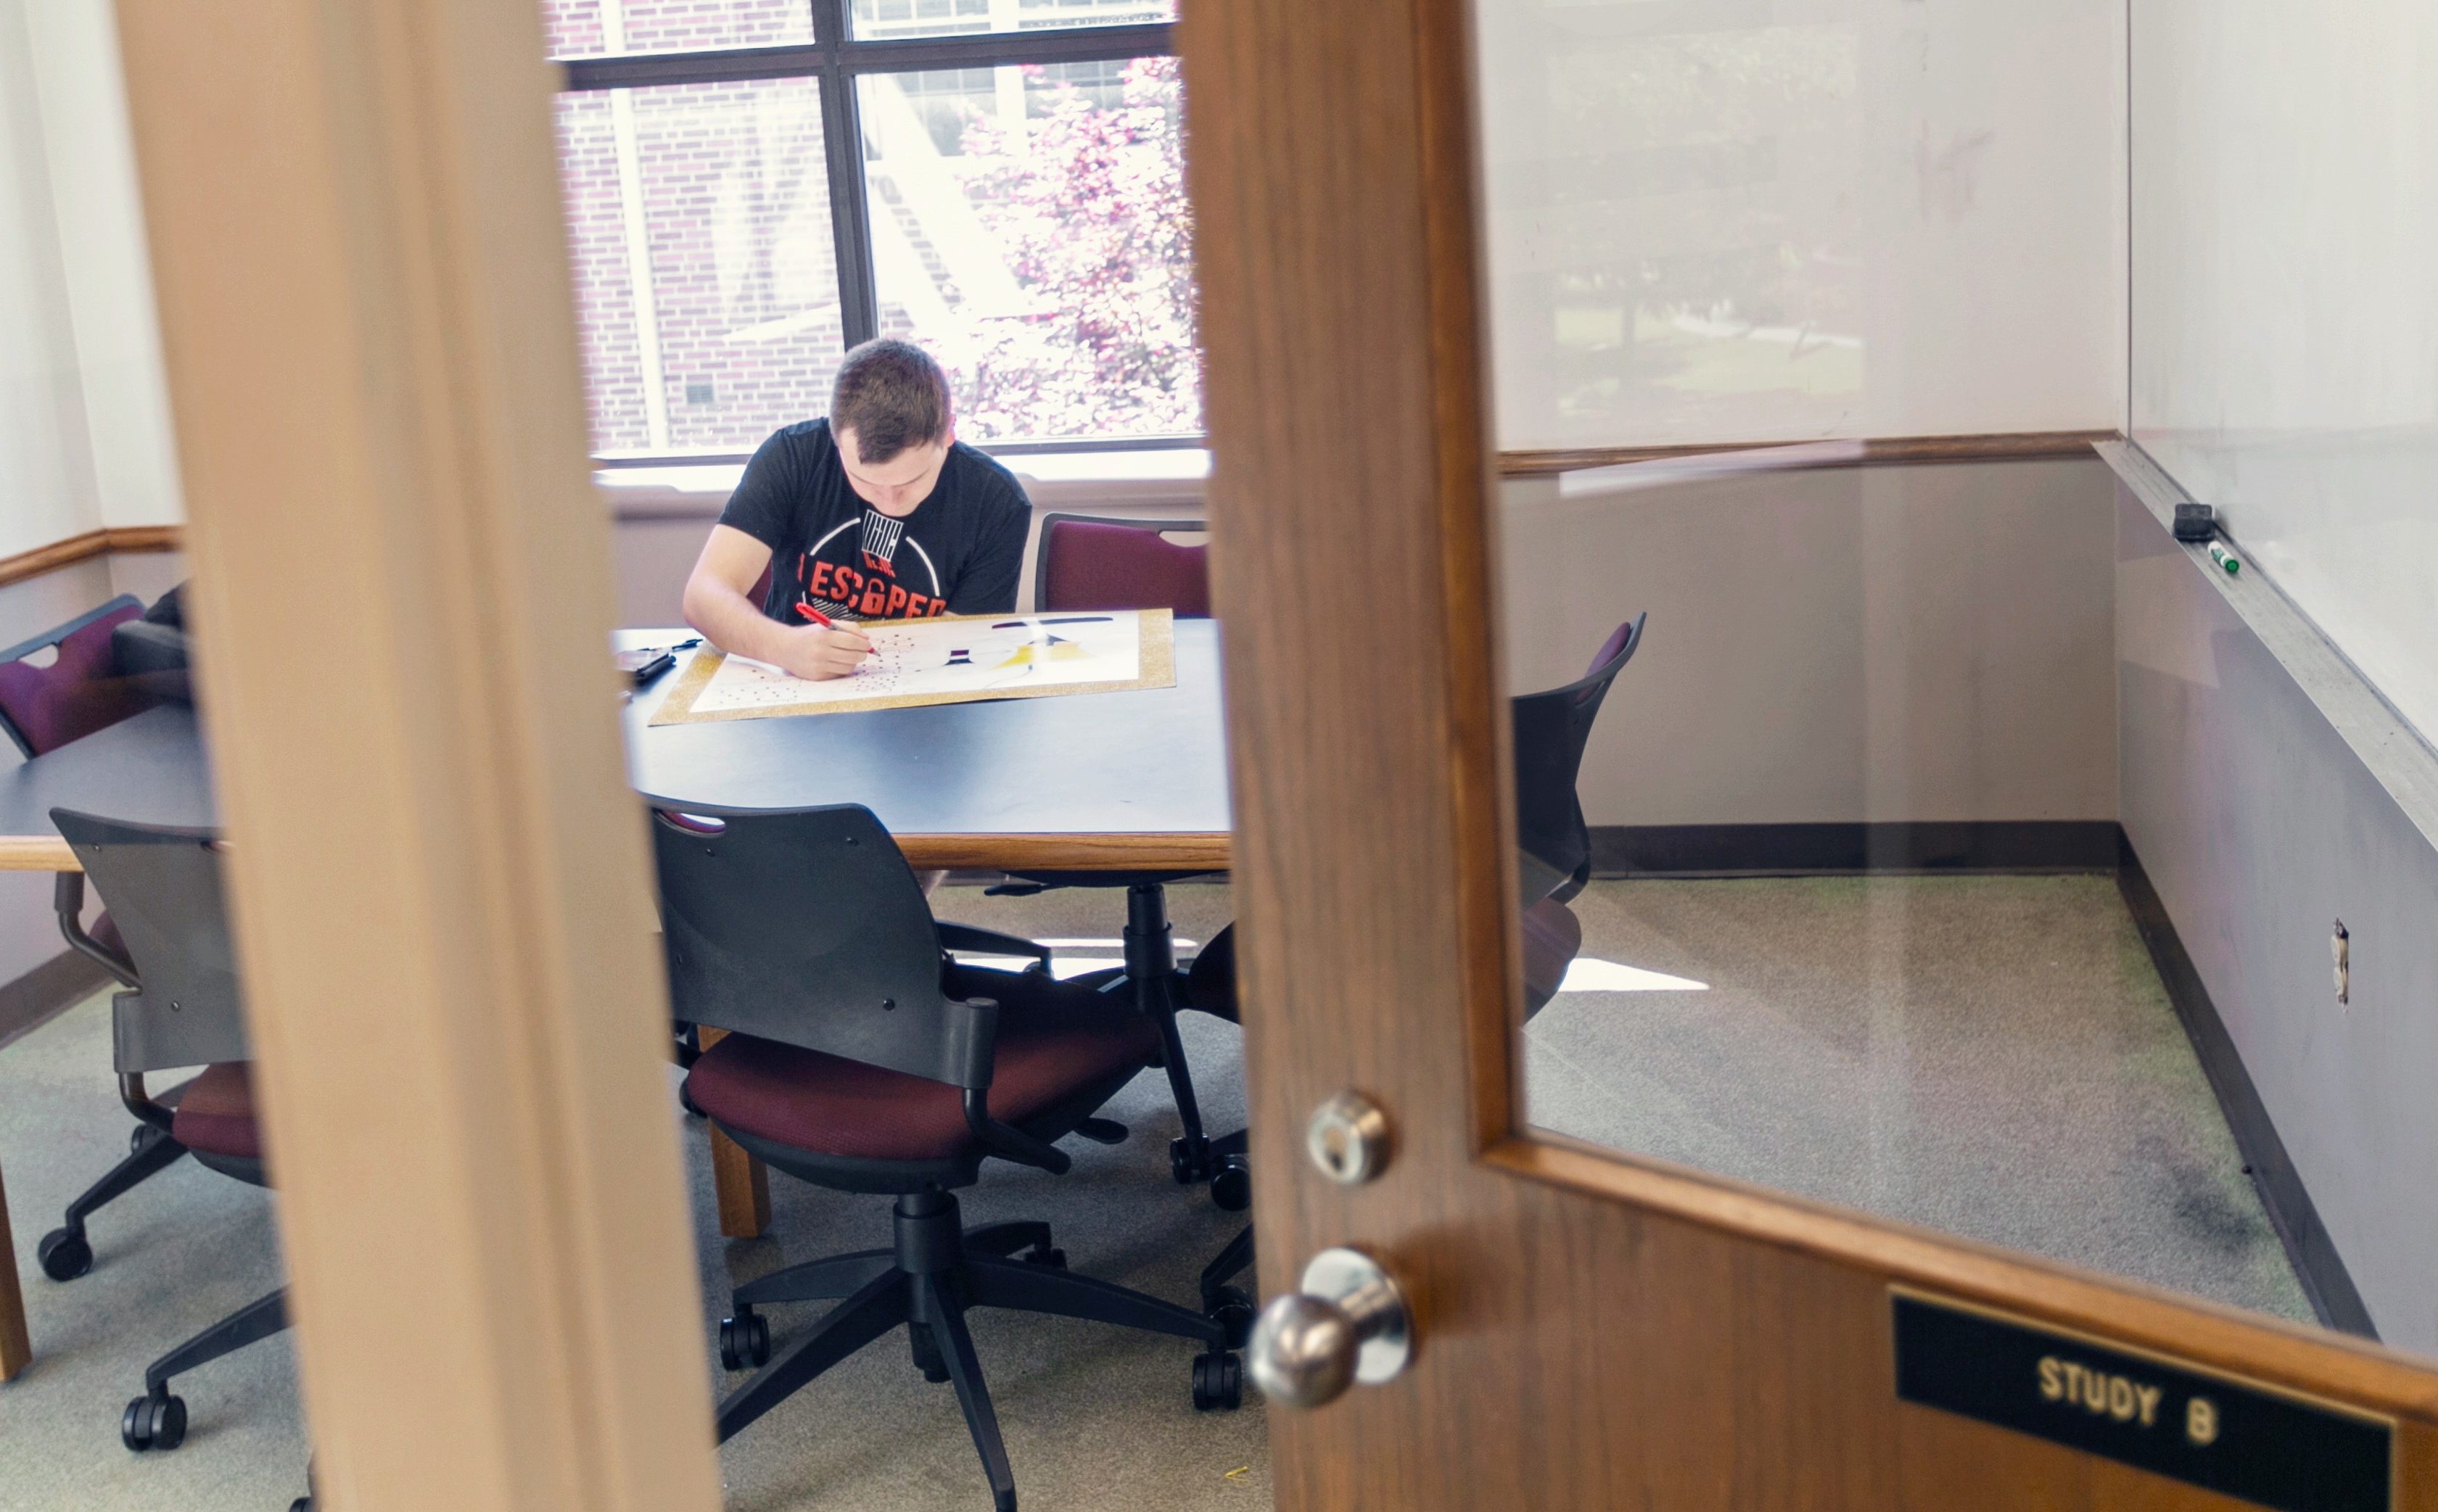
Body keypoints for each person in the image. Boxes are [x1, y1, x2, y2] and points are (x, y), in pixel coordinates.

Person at [681, 339, 1033, 679]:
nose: (889, 502)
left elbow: (965, 651)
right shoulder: (792, 457)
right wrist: (784, 647)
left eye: (912, 481)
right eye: (865, 482)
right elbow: (703, 596)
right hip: (795, 683)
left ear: (948, 433)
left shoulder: (996, 501)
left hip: (924, 692)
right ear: (835, 441)